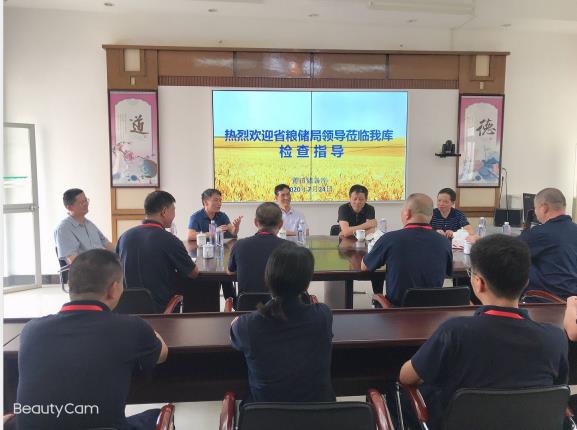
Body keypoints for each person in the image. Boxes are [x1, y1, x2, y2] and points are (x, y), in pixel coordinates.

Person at [399, 235, 568, 429]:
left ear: (479, 283)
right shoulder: (555, 338)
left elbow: (406, 377)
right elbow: (556, 392)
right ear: (525, 282)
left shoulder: (455, 332)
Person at [15, 249, 169, 430]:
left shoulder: (31, 330)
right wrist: (150, 331)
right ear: (114, 289)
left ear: (69, 286)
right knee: (157, 416)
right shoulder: (131, 327)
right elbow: (162, 354)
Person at [230, 242, 335, 403]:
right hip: (319, 414)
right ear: (307, 283)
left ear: (267, 277)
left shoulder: (247, 326)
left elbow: (234, 328)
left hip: (265, 415)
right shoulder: (323, 316)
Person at [361, 193, 452, 306]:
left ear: (407, 213)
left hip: (398, 312)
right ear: (431, 215)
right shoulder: (444, 242)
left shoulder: (390, 239)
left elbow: (364, 267)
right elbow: (449, 272)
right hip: (433, 311)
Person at [116, 191, 199, 312]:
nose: (174, 215)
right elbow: (193, 273)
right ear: (164, 212)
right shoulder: (170, 240)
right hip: (160, 311)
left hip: (127, 309)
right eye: (173, 210)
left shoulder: (124, 237)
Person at [519, 187, 577, 298]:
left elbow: (510, 247)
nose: (535, 213)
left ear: (544, 208)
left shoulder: (539, 233)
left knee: (516, 258)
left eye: (535, 208)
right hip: (574, 299)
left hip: (550, 299)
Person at [228, 202, 286, 297]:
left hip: (247, 304)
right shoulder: (290, 247)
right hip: (281, 305)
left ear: (255, 222)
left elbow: (230, 271)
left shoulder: (239, 245)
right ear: (280, 224)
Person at [54, 188, 114, 263]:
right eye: (81, 202)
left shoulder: (89, 224)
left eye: (86, 200)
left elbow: (106, 243)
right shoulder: (63, 229)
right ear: (69, 207)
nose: (86, 204)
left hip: (103, 264)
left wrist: (120, 253)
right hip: (87, 268)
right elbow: (73, 261)